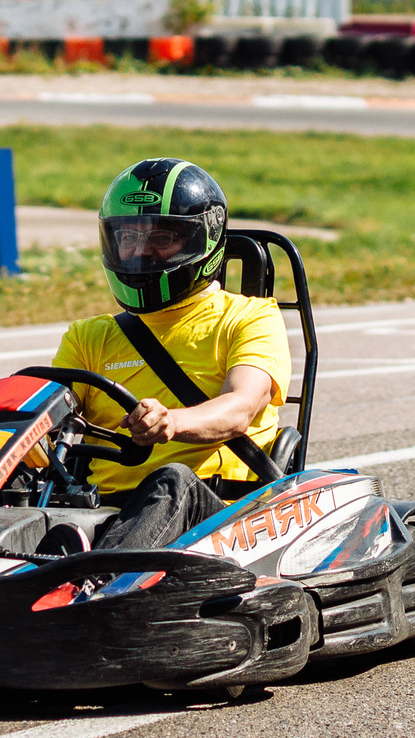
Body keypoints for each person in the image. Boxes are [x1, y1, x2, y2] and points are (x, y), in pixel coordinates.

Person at [51, 157, 291, 550]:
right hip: (103, 514)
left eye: (160, 239)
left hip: (218, 517)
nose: (140, 252)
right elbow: (46, 419)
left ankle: (99, 588)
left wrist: (171, 423)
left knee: (170, 480)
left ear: (202, 241)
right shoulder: (88, 336)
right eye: (128, 238)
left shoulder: (250, 317)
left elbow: (240, 407)